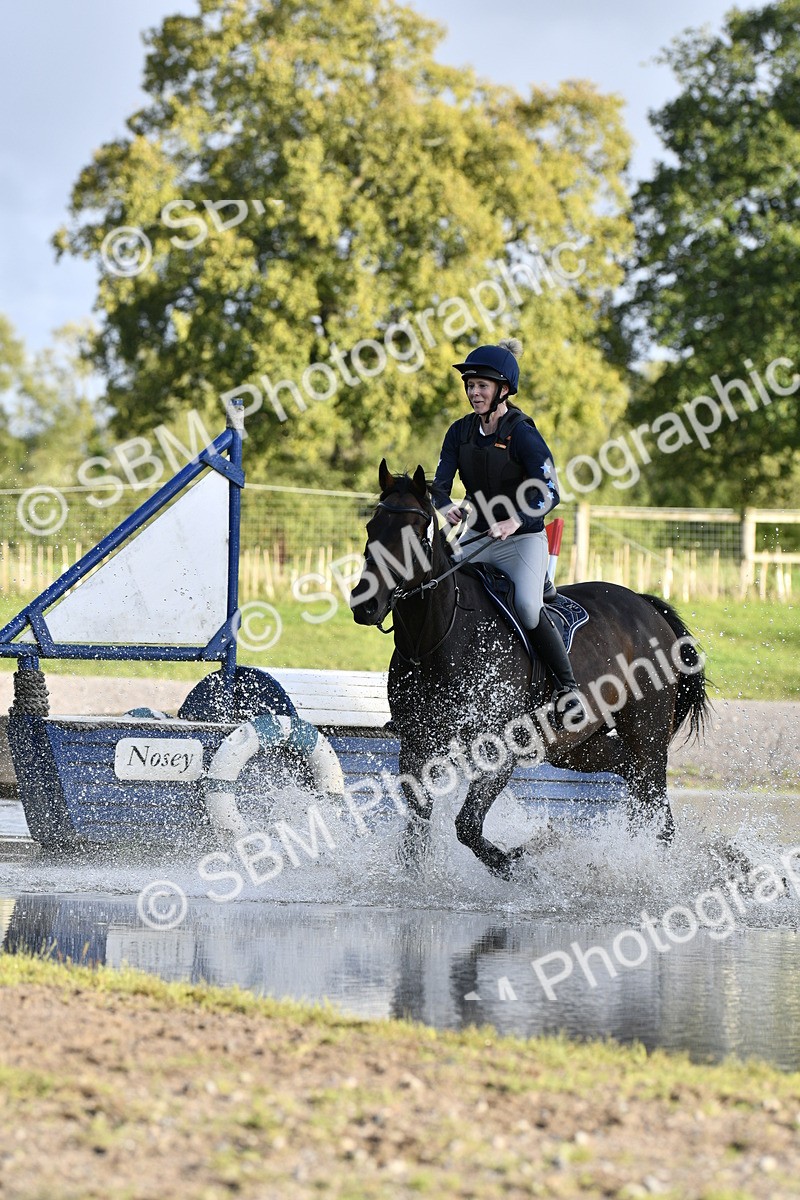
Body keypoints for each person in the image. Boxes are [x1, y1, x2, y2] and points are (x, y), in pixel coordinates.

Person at [431, 338, 585, 727]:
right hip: (478, 537)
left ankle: (568, 690)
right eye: (469, 385)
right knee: (435, 591)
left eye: (481, 385)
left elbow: (550, 491)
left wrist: (515, 519)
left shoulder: (523, 434)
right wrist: (445, 505)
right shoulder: (459, 432)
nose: (473, 392)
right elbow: (439, 484)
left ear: (503, 389)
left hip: (522, 540)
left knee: (529, 609)